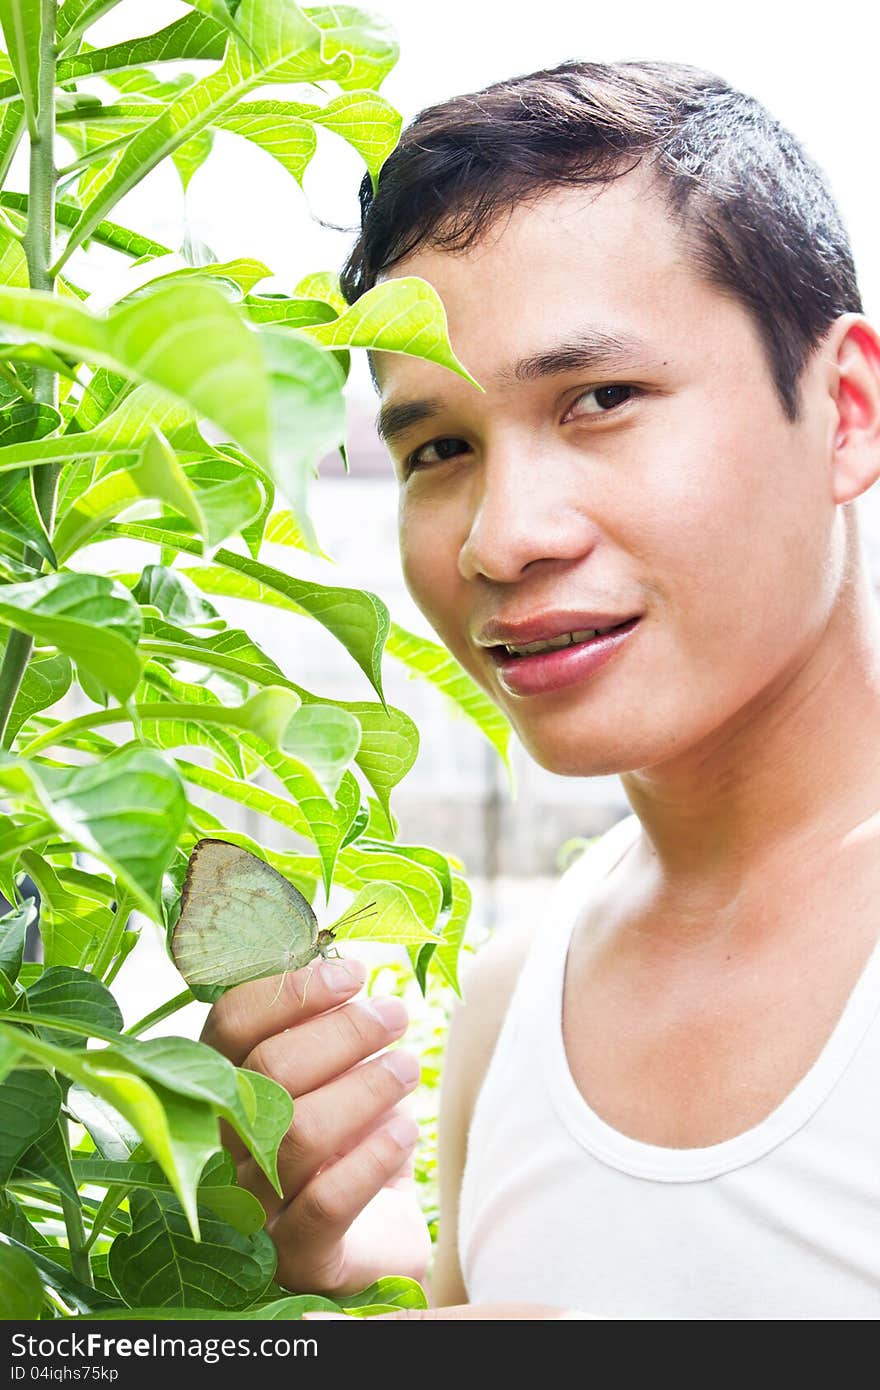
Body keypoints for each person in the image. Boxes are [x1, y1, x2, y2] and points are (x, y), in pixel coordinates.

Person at [203, 60, 880, 1319]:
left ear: (843, 411)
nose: (501, 540)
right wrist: (324, 1269)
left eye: (601, 399)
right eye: (440, 449)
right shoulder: (518, 1000)